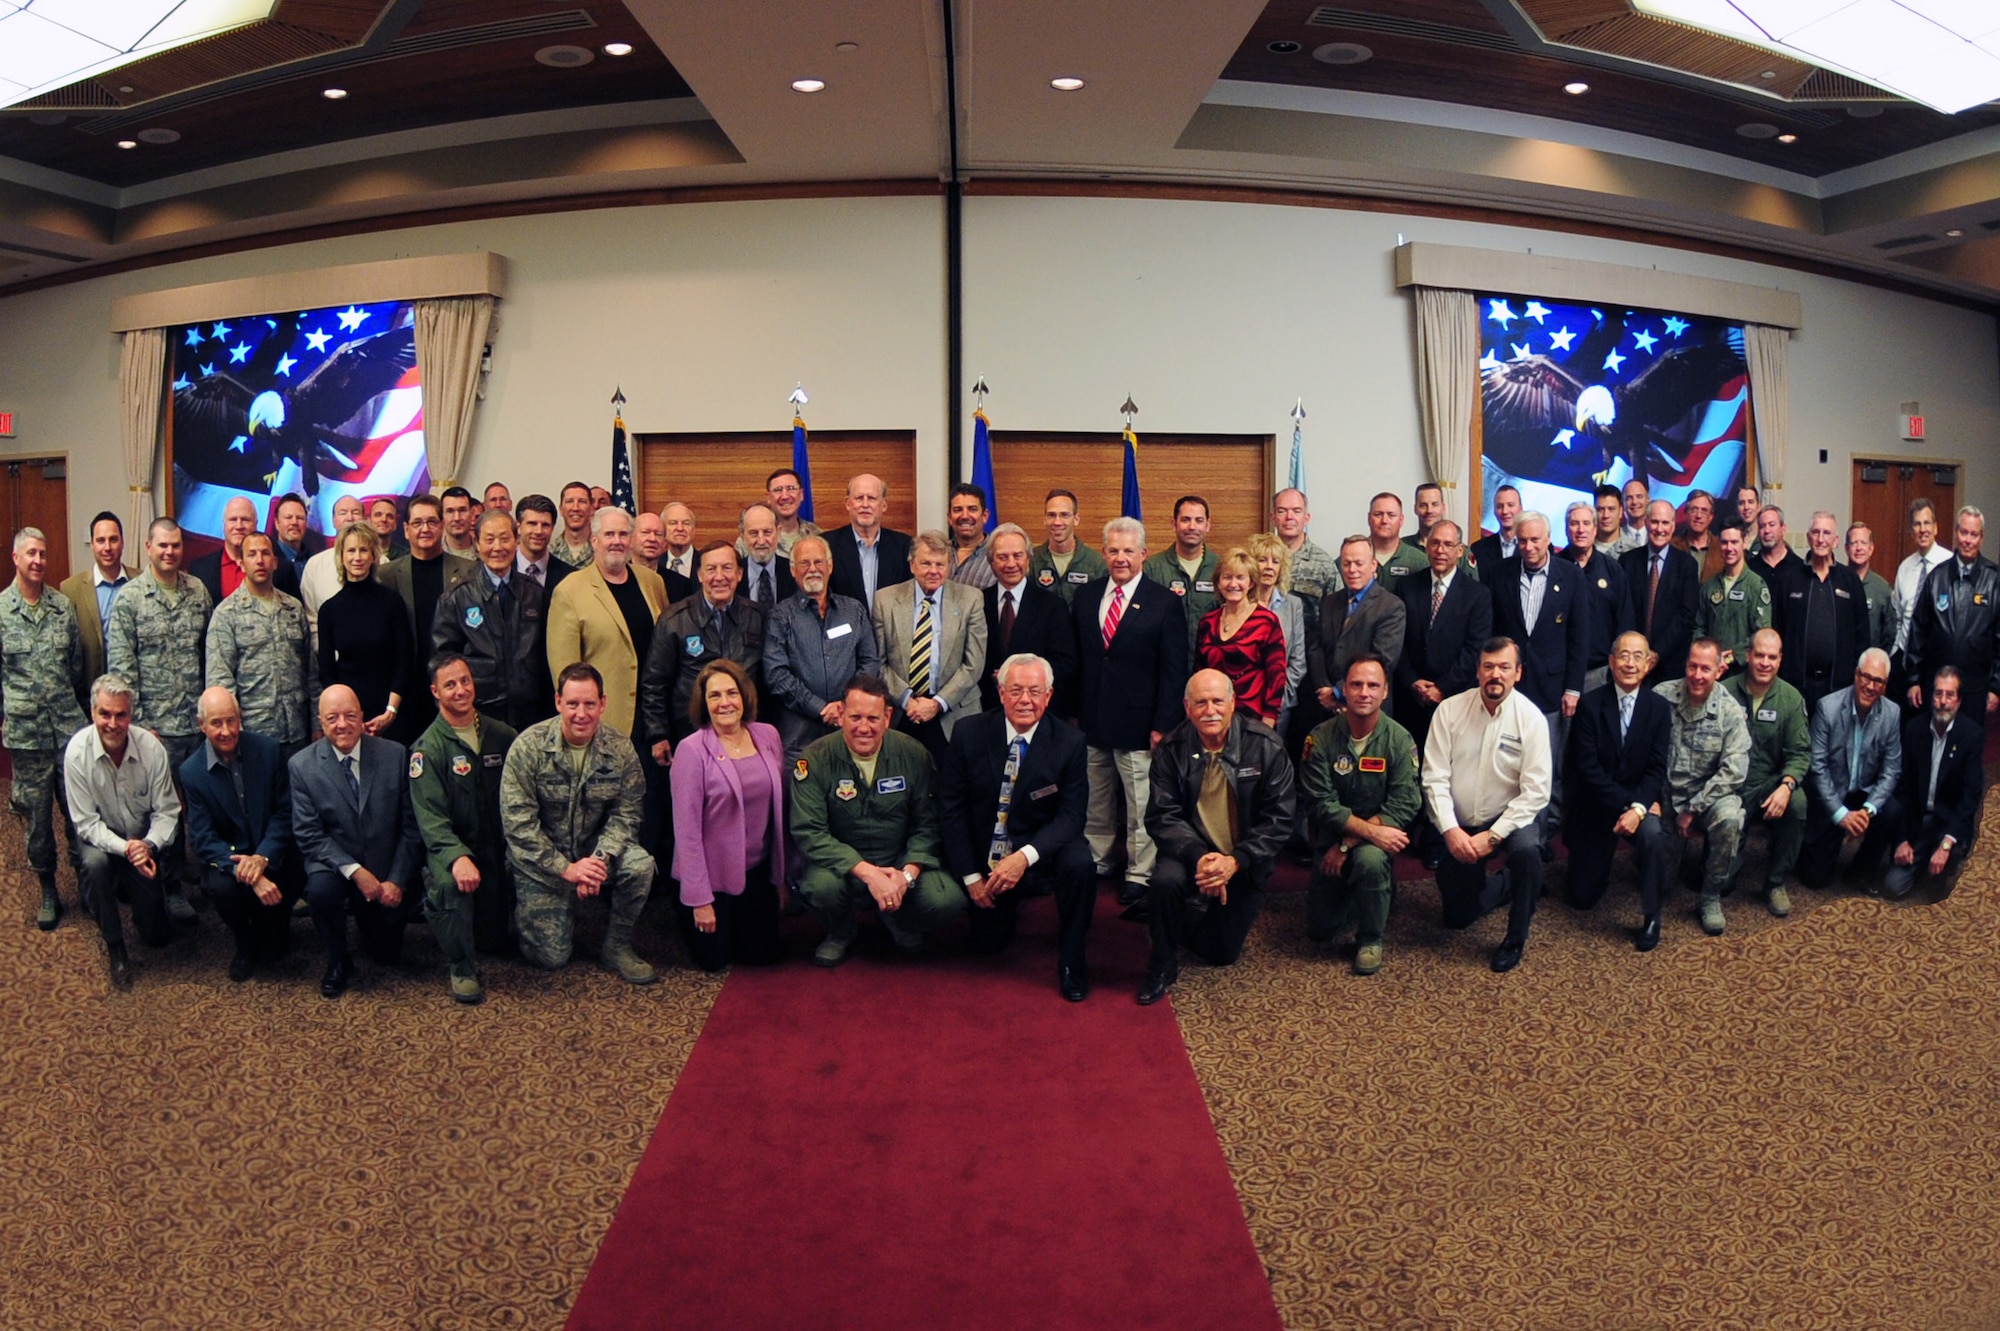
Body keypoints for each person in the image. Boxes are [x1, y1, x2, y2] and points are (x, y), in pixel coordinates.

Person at [939, 653, 1095, 999]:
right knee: (988, 944)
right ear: (1000, 692)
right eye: (1017, 690)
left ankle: (1072, 960)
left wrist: (1024, 858)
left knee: (1080, 863)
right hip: (987, 856)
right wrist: (970, 877)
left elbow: (1072, 817)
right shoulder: (968, 733)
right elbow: (951, 810)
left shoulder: (1070, 742)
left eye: (1035, 692)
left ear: (1049, 695)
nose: (1026, 700)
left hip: (1038, 851)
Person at [1137, 669, 1296, 1005]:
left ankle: (1172, 917)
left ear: (1233, 703)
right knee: (1164, 883)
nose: (1210, 710)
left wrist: (1233, 862)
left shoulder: (1266, 747)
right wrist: (1201, 857)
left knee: (1223, 953)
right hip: (1189, 852)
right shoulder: (1170, 749)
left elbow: (1279, 821)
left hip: (1243, 857)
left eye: (1217, 701)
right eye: (1200, 702)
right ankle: (1161, 962)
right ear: (1186, 707)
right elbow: (1162, 817)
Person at [500, 663, 657, 983]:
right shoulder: (528, 747)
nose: (581, 713)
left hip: (594, 851)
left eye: (589, 704)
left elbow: (627, 814)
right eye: (572, 704)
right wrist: (566, 868)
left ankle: (616, 946)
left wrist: (599, 861)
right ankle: (526, 915)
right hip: (542, 862)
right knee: (551, 957)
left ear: (603, 703)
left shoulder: (619, 749)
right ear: (558, 702)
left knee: (641, 866)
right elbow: (519, 826)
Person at [791, 674, 962, 965]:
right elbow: (810, 831)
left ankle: (899, 919)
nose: (864, 728)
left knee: (946, 899)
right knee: (819, 888)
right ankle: (840, 930)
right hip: (843, 868)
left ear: (887, 717)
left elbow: (929, 824)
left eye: (873, 718)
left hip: (898, 862)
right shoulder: (814, 759)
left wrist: (905, 876)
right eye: (855, 717)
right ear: (841, 715)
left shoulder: (913, 754)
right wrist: (868, 873)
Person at [1072, 517, 1188, 904]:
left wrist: (1163, 725)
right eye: (1113, 550)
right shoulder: (1086, 598)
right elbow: (1082, 661)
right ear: (1103, 553)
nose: (1120, 558)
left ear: (1143, 554)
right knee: (1095, 799)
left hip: (1141, 724)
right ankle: (1098, 862)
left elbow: (1174, 671)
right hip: (1092, 719)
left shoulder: (1164, 602)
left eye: (1128, 551)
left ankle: (1140, 873)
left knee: (1141, 803)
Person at [1422, 638, 1552, 973]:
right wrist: (1450, 831)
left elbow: (1536, 792)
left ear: (1518, 673)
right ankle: (1505, 884)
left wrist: (1493, 837)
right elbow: (1433, 777)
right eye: (1489, 666)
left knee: (1527, 852)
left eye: (1504, 667)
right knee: (1457, 918)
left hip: (1510, 819)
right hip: (1461, 825)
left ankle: (1515, 937)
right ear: (1478, 671)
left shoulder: (1532, 719)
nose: (1496, 674)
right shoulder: (1449, 711)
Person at [290, 684, 423, 999]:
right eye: (332, 718)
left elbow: (411, 827)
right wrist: (354, 871)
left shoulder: (395, 755)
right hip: (335, 865)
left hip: (384, 868)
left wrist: (397, 880)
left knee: (387, 954)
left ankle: (370, 919)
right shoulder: (301, 766)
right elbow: (309, 835)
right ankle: (338, 960)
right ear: (321, 723)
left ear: (363, 717)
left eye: (350, 715)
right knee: (320, 891)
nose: (342, 724)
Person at [107, 516, 210, 915]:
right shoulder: (130, 599)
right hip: (154, 728)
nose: (169, 552)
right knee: (160, 808)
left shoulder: (197, 591)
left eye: (176, 546)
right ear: (148, 548)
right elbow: (121, 668)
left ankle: (202, 873)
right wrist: (139, 724)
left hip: (196, 724)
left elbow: (208, 653)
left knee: (200, 803)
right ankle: (168, 887)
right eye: (162, 546)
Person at [409, 653, 518, 1005]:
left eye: (465, 681)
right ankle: (462, 966)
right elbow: (431, 821)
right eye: (450, 684)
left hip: (497, 845)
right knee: (447, 886)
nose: (461, 690)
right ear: (435, 692)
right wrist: (456, 858)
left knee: (499, 939)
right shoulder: (427, 750)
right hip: (453, 848)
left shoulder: (502, 736)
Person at [1301, 655, 1419, 975]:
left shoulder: (1399, 739)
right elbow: (1319, 802)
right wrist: (1343, 842)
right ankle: (1372, 893)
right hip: (1330, 838)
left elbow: (1406, 802)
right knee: (1320, 930)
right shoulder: (1320, 738)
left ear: (1385, 692)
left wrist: (1350, 843)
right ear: (1343, 689)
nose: (1364, 692)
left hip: (1374, 843)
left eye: (1372, 685)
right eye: (1356, 684)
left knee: (1369, 861)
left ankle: (1371, 938)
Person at [64, 674, 180, 989]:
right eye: (105, 714)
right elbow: (86, 823)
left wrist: (148, 846)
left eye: (121, 714)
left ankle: (132, 891)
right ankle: (115, 944)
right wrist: (126, 848)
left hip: (142, 844)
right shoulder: (76, 753)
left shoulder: (151, 749)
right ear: (92, 713)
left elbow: (167, 811)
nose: (113, 723)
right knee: (95, 865)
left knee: (156, 936)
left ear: (131, 714)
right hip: (101, 841)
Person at [670, 660, 786, 971]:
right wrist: (700, 900)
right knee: (714, 962)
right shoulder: (691, 751)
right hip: (712, 882)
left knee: (763, 958)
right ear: (703, 703)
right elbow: (687, 832)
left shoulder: (768, 736)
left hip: (757, 874)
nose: (724, 703)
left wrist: (781, 878)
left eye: (731, 693)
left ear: (745, 696)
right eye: (714, 696)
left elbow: (779, 812)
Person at [179, 687, 300, 982]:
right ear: (201, 725)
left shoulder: (269, 751)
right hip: (230, 858)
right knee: (222, 890)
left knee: (298, 869)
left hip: (269, 850)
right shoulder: (191, 772)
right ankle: (244, 943)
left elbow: (285, 813)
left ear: (240, 718)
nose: (225, 731)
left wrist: (262, 857)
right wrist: (251, 872)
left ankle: (274, 926)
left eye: (231, 721)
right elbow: (203, 839)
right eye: (216, 723)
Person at [1566, 632, 1674, 950]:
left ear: (1649, 663)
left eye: (1637, 656)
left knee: (1654, 835)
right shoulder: (1590, 704)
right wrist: (1632, 805)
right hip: (1597, 804)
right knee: (1581, 899)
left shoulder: (1658, 708)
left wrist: (1639, 810)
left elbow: (1657, 768)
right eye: (1623, 656)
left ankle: (1652, 916)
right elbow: (1587, 769)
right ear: (1612, 662)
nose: (1630, 663)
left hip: (1639, 805)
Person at [1, 526, 86, 928]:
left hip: (67, 731)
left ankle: (86, 880)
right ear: (15, 559)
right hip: (27, 737)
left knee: (78, 813)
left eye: (43, 553)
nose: (38, 560)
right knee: (36, 819)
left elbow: (75, 666)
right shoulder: (1, 611)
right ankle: (47, 887)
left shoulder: (62, 607)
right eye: (30, 554)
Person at [1396, 520, 1492, 867]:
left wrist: (1442, 688)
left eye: (1447, 544)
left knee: (1445, 773)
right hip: (1411, 696)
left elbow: (1474, 650)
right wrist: (1412, 682)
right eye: (1434, 543)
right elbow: (1398, 643)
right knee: (1409, 768)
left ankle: (1437, 840)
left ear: (1460, 550)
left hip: (1454, 700)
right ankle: (1403, 831)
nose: (1440, 550)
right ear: (1426, 547)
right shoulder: (1407, 587)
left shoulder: (1477, 594)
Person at [1490, 511, 1587, 848]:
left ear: (1549, 539)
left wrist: (1573, 688)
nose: (1528, 547)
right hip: (1509, 687)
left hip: (1551, 688)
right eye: (1522, 541)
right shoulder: (1499, 574)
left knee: (1545, 768)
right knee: (1506, 761)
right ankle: (1507, 834)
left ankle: (1542, 838)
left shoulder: (1571, 576)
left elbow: (1579, 636)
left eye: (1535, 540)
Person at [545, 505, 669, 743]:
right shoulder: (569, 591)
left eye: (623, 534)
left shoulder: (652, 582)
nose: (616, 541)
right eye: (609, 534)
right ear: (594, 540)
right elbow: (565, 672)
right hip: (602, 720)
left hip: (653, 719)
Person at [1655, 639, 1751, 935]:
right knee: (1660, 884)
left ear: (1719, 671)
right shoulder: (1661, 697)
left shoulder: (1730, 711)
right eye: (1692, 666)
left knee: (1731, 817)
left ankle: (1710, 897)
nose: (1697, 675)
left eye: (1705, 669)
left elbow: (1734, 771)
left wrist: (1694, 808)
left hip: (1707, 799)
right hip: (1665, 796)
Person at [762, 533, 882, 762]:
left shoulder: (854, 611)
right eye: (804, 563)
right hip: (799, 733)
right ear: (793, 570)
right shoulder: (779, 616)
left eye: (818, 562)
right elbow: (776, 674)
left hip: (851, 727)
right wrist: (819, 707)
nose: (812, 569)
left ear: (830, 566)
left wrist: (846, 704)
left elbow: (869, 661)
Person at [644, 540, 767, 758]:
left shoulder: (758, 617)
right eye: (711, 569)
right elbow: (655, 683)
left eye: (727, 568)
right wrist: (658, 734)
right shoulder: (674, 621)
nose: (719, 577)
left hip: (745, 734)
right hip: (690, 733)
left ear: (739, 574)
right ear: (700, 575)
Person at [433, 509, 552, 731]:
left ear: (516, 541)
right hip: (480, 713)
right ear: (477, 544)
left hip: (530, 714)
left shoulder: (535, 593)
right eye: (489, 540)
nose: (498, 547)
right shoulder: (457, 596)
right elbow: (443, 660)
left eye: (505, 538)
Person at [874, 529, 984, 761]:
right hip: (902, 712)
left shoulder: (971, 599)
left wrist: (937, 703)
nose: (933, 571)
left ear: (949, 565)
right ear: (912, 564)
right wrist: (907, 700)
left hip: (954, 711)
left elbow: (974, 664)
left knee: (953, 789)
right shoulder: (885, 600)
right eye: (926, 563)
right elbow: (878, 662)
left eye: (940, 564)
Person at [1723, 629, 1810, 918]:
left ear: (1780, 660)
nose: (1765, 662)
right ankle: (1724, 867)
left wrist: (1786, 785)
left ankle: (1775, 882)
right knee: (1722, 883)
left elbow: (1800, 753)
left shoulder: (1790, 699)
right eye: (1759, 655)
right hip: (1729, 788)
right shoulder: (1724, 691)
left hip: (1767, 786)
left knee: (1798, 803)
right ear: (1747, 655)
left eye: (1772, 657)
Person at [204, 531, 314, 759]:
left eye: (265, 553)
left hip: (298, 732)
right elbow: (220, 680)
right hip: (254, 736)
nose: (259, 560)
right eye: (252, 555)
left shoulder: (293, 608)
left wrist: (317, 723)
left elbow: (311, 673)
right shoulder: (226, 614)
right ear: (241, 564)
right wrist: (234, 733)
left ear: (275, 562)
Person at [1799, 649, 1903, 891]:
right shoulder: (1828, 708)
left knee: (1892, 811)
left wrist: (1867, 811)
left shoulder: (1892, 713)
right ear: (1856, 675)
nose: (1870, 686)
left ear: (1885, 685)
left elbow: (1891, 770)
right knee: (1814, 879)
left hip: (1865, 794)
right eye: (1866, 677)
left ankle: (1861, 872)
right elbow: (1817, 768)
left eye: (1878, 681)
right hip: (1833, 795)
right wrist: (1841, 815)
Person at [379, 494, 476, 738]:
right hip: (405, 689)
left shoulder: (468, 571)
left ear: (442, 526)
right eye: (418, 523)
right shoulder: (386, 575)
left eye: (432, 522)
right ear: (406, 529)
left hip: (453, 688)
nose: (425, 529)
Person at [1886, 667, 1985, 900]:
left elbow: (1969, 798)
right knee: (1893, 886)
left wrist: (1946, 845)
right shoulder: (1913, 730)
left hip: (1947, 823)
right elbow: (1902, 790)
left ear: (1959, 701)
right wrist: (1901, 840)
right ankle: (1921, 859)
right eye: (1938, 694)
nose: (1942, 701)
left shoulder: (1972, 736)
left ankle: (1941, 858)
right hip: (1917, 821)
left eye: (1949, 695)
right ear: (1931, 697)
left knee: (1941, 887)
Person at [316, 523, 413, 741]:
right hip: (348, 718)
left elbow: (404, 660)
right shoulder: (329, 610)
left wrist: (391, 712)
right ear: (341, 557)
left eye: (363, 550)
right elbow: (326, 670)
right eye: (351, 550)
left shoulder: (392, 602)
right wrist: (346, 717)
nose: (357, 557)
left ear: (373, 556)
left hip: (391, 712)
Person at [1903, 505, 2000, 717]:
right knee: (1934, 745)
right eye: (1964, 532)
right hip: (1937, 686)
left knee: (1969, 745)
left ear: (1981, 538)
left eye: (1974, 534)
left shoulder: (1994, 580)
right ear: (1956, 533)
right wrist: (1913, 680)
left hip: (1975, 687)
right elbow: (1918, 631)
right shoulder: (1937, 577)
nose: (1967, 540)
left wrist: (1996, 687)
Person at [1775, 510, 1870, 711]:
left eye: (1826, 533)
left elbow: (1862, 635)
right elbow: (1778, 629)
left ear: (1836, 541)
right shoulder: (1790, 579)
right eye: (1816, 532)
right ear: (1809, 537)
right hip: (1796, 684)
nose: (1820, 539)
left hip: (1839, 686)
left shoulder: (1850, 580)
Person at [979, 523, 1076, 716]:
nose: (1011, 564)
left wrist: (1019, 678)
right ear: (991, 562)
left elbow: (1065, 661)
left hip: (1037, 711)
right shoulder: (978, 602)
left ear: (1028, 559)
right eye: (1002, 557)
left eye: (1017, 555)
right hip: (987, 710)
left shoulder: (1052, 606)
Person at [1311, 535, 1406, 715]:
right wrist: (1324, 688)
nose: (1352, 569)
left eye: (1358, 563)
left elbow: (1383, 659)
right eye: (1346, 564)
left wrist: (1338, 691)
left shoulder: (1391, 606)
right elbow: (1317, 649)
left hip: (1367, 705)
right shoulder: (1329, 602)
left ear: (1373, 565)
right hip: (1325, 706)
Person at [1195, 547, 1287, 728]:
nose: (1233, 584)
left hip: (1254, 718)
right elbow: (1199, 672)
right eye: (1227, 577)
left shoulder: (1266, 621)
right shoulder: (1207, 622)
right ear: (1218, 582)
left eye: (1240, 577)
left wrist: (1268, 720)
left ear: (1251, 583)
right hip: (1213, 716)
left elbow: (1276, 676)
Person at [1620, 500, 1699, 685]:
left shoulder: (1686, 565)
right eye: (1655, 522)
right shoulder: (1627, 562)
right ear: (1646, 522)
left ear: (1673, 526)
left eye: (1665, 523)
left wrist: (1657, 653)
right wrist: (1635, 652)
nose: (1659, 528)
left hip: (1670, 664)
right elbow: (1623, 611)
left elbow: (1686, 616)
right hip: (1631, 663)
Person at [59, 510, 134, 685]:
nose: (107, 547)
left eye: (113, 540)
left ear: (122, 543)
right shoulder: (71, 589)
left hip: (133, 690)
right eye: (100, 541)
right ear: (92, 544)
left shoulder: (140, 581)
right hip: (91, 693)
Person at [1245, 531, 1308, 737]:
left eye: (1275, 561)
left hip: (1281, 704)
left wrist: (1276, 699)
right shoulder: (1239, 604)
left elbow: (1297, 662)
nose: (1269, 567)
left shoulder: (1293, 605)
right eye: (1262, 560)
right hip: (1243, 703)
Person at [1562, 500, 1627, 692]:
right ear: (1566, 529)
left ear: (1595, 528)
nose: (1580, 530)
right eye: (1574, 524)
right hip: (1561, 672)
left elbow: (1624, 620)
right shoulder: (1555, 568)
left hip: (1601, 672)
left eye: (1586, 523)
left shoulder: (1612, 569)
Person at [1143, 495, 1219, 654]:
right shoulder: (1153, 569)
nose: (1192, 527)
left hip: (1208, 665)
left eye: (1199, 520)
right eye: (1185, 520)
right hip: (1164, 663)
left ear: (1208, 525)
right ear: (1174, 524)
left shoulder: (1221, 569)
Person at [190, 495, 300, 605]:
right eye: (233, 520)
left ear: (256, 524)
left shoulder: (283, 570)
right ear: (224, 524)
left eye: (245, 520)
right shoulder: (199, 570)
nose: (239, 526)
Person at [1694, 522, 1771, 677]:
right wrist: (1706, 654)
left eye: (1734, 542)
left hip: (1742, 672)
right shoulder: (1710, 586)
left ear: (1745, 543)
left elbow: (1762, 634)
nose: (1729, 548)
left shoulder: (1756, 586)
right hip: (1710, 671)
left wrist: (1731, 656)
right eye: (1724, 542)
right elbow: (1699, 627)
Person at [827, 473, 913, 609]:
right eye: (859, 498)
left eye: (872, 498)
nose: (865, 504)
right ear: (848, 504)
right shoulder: (827, 545)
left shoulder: (905, 546)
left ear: (884, 505)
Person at [299, 494, 369, 638]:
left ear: (365, 519)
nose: (349, 518)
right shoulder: (315, 565)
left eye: (355, 512)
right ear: (333, 521)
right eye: (343, 513)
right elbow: (310, 619)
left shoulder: (381, 562)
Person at [1892, 498, 1948, 667]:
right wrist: (1894, 653)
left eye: (1927, 523)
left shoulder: (1949, 564)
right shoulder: (1905, 568)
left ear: (1935, 527)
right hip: (1904, 659)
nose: (1922, 529)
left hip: (1936, 661)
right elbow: (1898, 617)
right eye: (1917, 524)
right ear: (1911, 531)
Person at [1029, 488, 1108, 604]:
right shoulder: (1031, 560)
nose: (1057, 522)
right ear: (1044, 519)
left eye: (1064, 515)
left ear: (1076, 520)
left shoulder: (1097, 563)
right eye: (1051, 515)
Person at [1271, 487, 1338, 611]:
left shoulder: (1324, 564)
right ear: (1273, 518)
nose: (1289, 517)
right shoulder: (1259, 559)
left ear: (1306, 518)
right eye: (1282, 511)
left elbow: (1337, 613)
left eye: (1296, 511)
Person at [1846, 522, 1896, 653]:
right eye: (1854, 543)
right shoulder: (1837, 582)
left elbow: (1889, 636)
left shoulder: (1883, 589)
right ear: (1846, 548)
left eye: (1863, 543)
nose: (1859, 548)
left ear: (1871, 548)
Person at [738, 502, 796, 610]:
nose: (761, 541)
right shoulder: (733, 575)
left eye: (767, 532)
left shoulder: (793, 572)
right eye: (754, 533)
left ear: (778, 532)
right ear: (742, 535)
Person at [514, 493, 575, 594]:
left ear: (552, 529)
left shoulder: (570, 576)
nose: (538, 531)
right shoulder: (502, 569)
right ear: (519, 527)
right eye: (532, 524)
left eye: (545, 525)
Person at [1365, 492, 1428, 586]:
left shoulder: (1420, 562)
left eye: (1391, 515)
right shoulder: (1351, 559)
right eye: (1378, 514)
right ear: (1369, 518)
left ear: (1401, 520)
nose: (1384, 521)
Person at [945, 483, 997, 589]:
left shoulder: (997, 557)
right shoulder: (938, 552)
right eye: (958, 510)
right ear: (950, 518)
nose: (964, 516)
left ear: (985, 516)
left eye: (972, 509)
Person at [764, 468, 820, 555]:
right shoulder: (753, 539)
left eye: (791, 488)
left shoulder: (816, 534)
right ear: (768, 497)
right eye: (778, 490)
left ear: (801, 494)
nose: (785, 496)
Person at [1673, 489, 1724, 583]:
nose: (1698, 515)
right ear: (1686, 513)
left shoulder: (1722, 548)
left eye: (1704, 511)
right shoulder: (1672, 546)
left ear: (1711, 516)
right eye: (1694, 509)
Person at [1469, 484, 1520, 573]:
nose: (1505, 511)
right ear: (1494, 512)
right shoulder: (1479, 549)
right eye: (1500, 506)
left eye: (1510, 505)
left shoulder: (1531, 548)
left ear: (1520, 509)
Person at [269, 493, 321, 579]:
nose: (294, 522)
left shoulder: (315, 562)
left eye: (300, 518)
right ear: (277, 523)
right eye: (288, 517)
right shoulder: (267, 559)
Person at [1756, 504, 1805, 592]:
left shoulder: (1800, 568)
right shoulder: (1751, 568)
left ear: (1783, 529)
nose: (1767, 531)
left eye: (1772, 525)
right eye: (1762, 526)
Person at [550, 481, 597, 568]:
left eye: (582, 501)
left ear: (591, 509)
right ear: (561, 509)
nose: (575, 508)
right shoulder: (549, 551)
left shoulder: (601, 548)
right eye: (569, 501)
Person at [1595, 483, 1636, 556]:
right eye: (1600, 509)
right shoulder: (1583, 547)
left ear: (1620, 512)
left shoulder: (1634, 551)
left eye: (1611, 509)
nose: (1605, 515)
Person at [661, 501, 698, 579]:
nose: (680, 528)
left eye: (686, 523)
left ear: (694, 530)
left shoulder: (704, 563)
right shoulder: (656, 563)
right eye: (673, 523)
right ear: (662, 529)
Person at [439, 486, 479, 556]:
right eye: (450, 511)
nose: (457, 518)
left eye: (462, 510)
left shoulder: (484, 552)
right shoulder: (433, 553)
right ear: (442, 515)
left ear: (472, 513)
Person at [367, 495, 409, 561]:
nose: (384, 519)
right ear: (369, 521)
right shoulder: (359, 553)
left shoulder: (406, 556)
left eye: (390, 516)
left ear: (395, 524)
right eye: (378, 515)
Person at [1621, 479, 1650, 549]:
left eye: (1639, 496)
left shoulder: (1658, 535)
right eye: (1629, 498)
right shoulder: (1615, 538)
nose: (1634, 502)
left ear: (1648, 500)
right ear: (1623, 504)